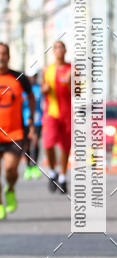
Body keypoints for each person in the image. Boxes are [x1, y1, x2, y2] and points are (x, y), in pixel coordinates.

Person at [0, 43, 35, 218]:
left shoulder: (19, 78)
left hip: (14, 134)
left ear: (9, 56)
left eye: (4, 54)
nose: (1, 57)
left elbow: (31, 96)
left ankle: (11, 188)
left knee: (10, 170)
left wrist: (30, 120)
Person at [42, 40, 72, 193]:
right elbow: (42, 89)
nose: (59, 50)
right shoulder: (47, 69)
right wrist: (45, 88)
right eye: (56, 48)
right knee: (48, 143)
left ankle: (62, 177)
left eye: (62, 47)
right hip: (51, 114)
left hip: (67, 114)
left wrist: (72, 82)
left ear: (65, 50)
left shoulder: (72, 69)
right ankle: (52, 171)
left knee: (66, 147)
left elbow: (80, 92)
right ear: (53, 52)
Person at [22, 72, 43, 179]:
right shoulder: (23, 89)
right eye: (31, 76)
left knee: (35, 140)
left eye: (35, 76)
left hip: (37, 120)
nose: (32, 78)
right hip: (25, 120)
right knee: (26, 144)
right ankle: (28, 167)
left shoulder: (39, 88)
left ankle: (34, 165)